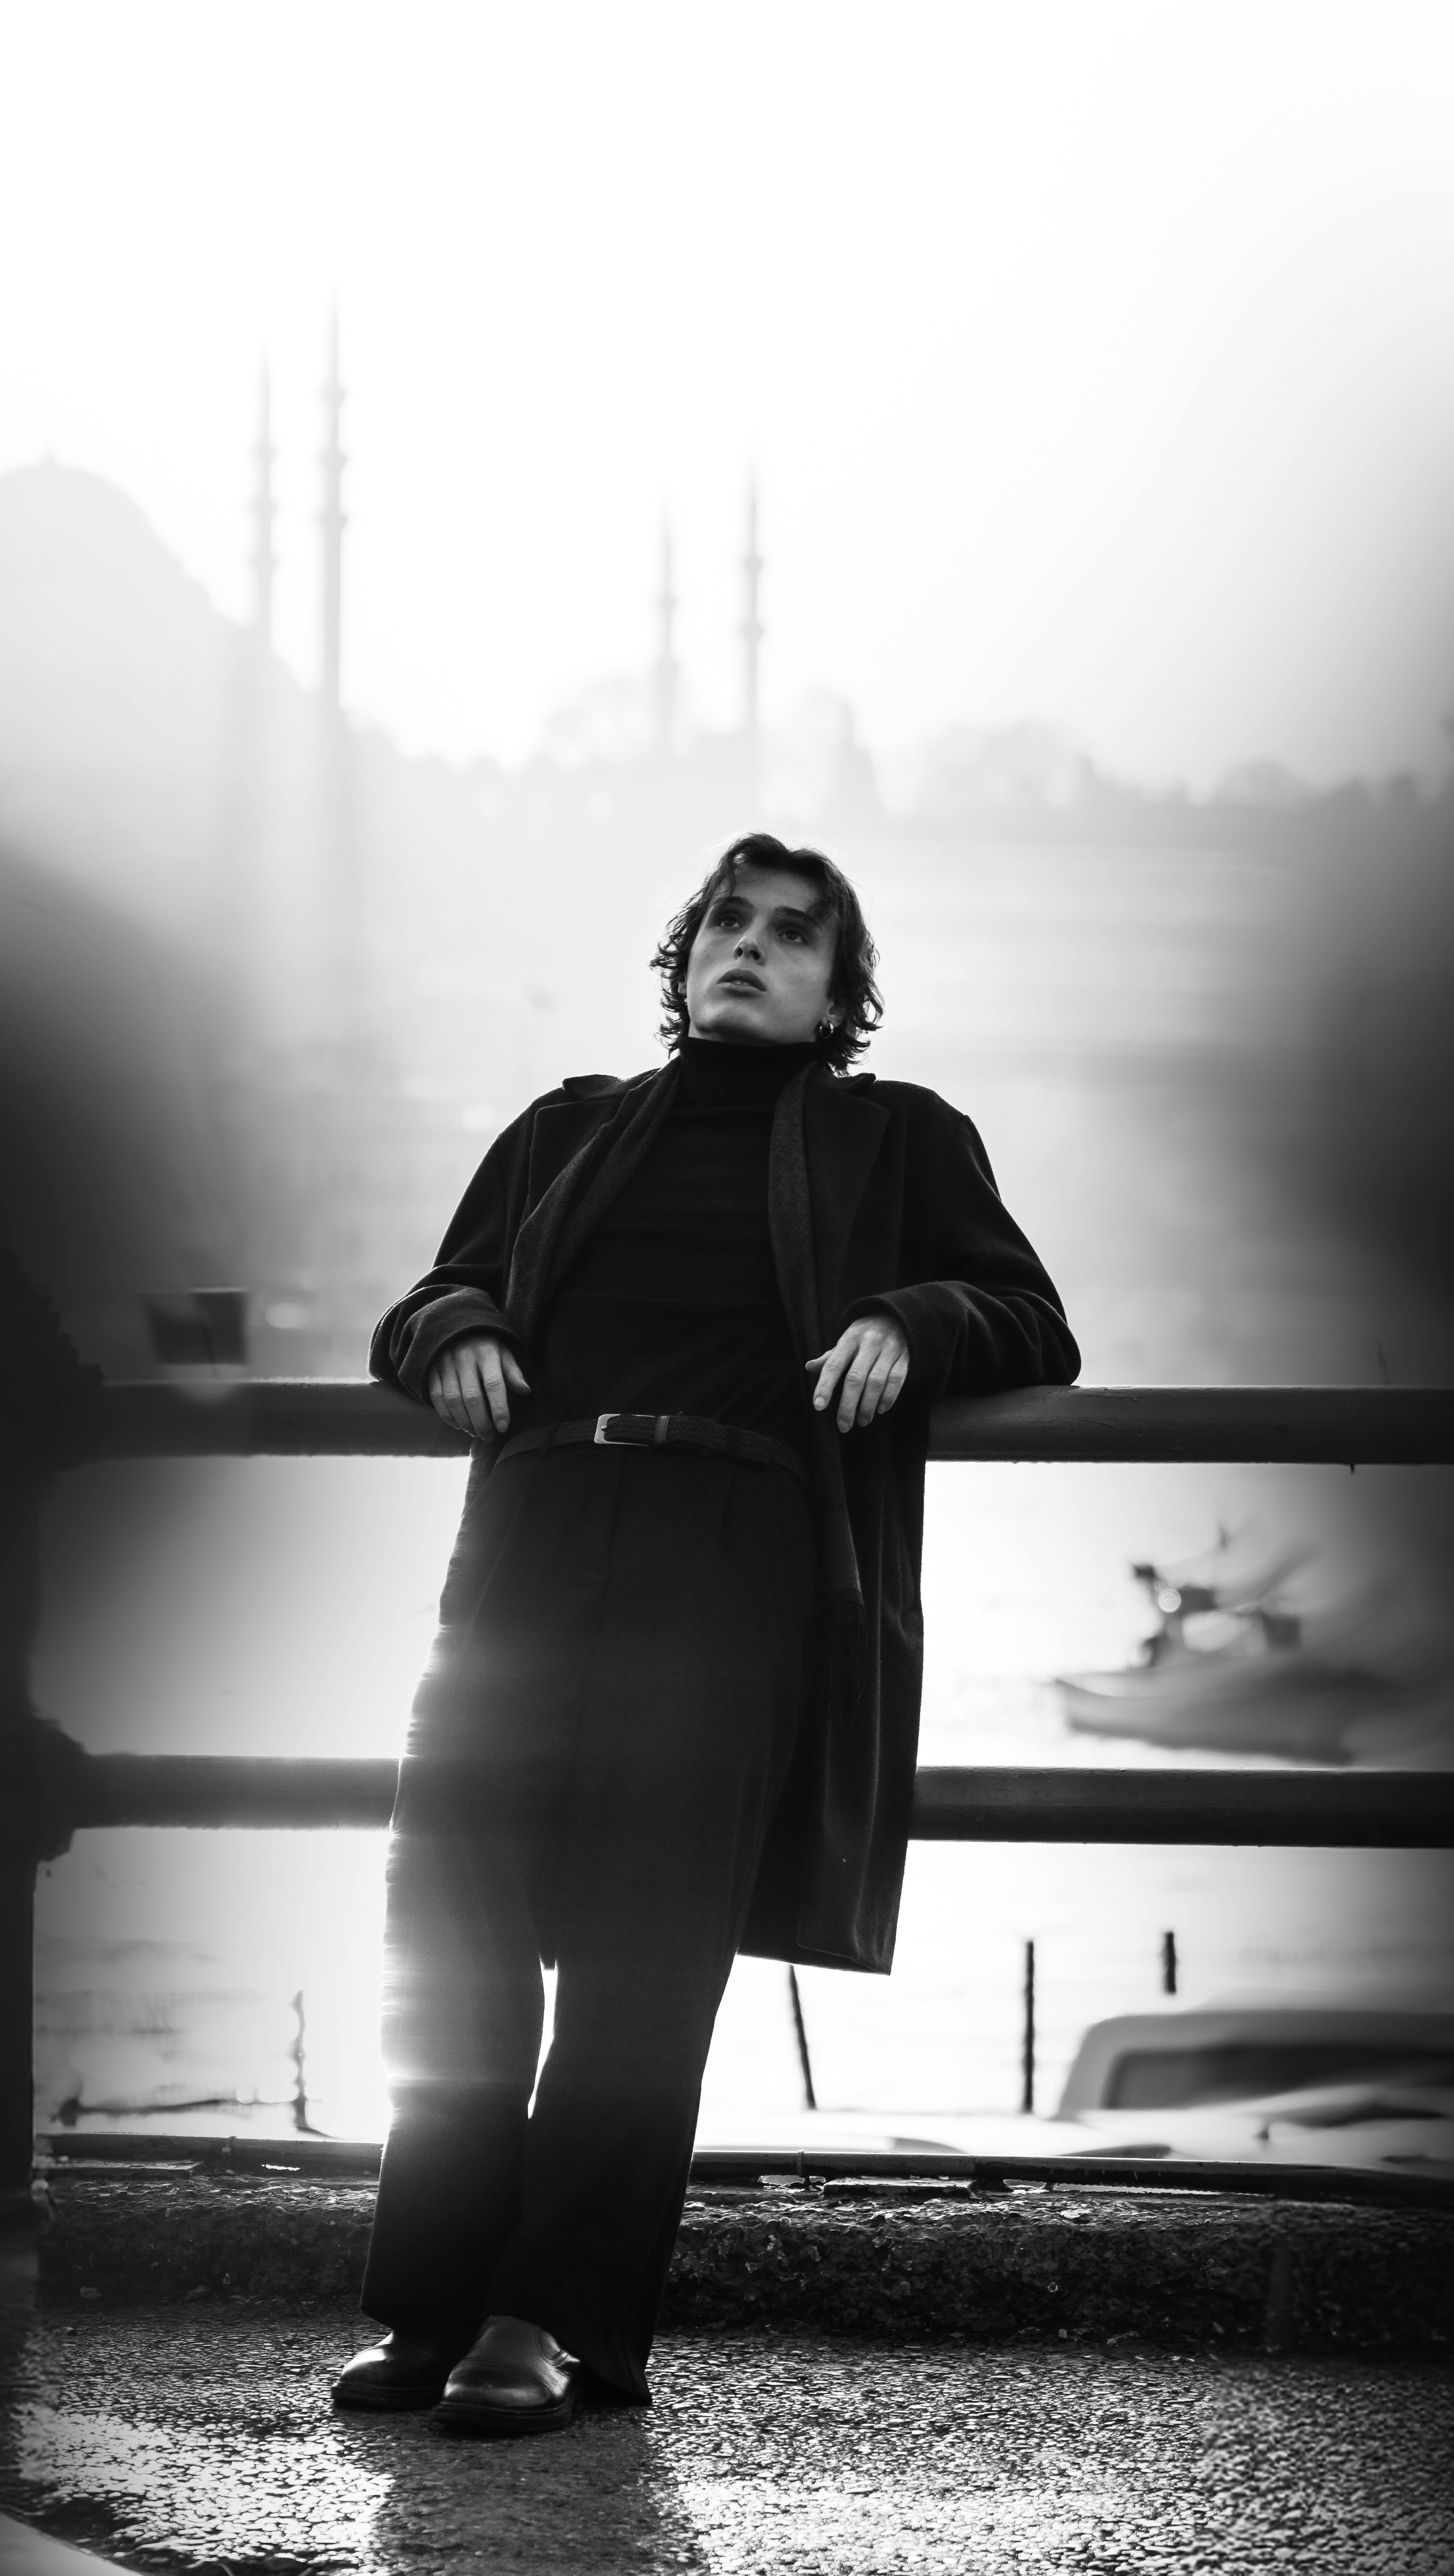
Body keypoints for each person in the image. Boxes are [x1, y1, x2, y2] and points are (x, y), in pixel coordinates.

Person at [332, 832, 1077, 2430]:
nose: (749, 949)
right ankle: (428, 2311)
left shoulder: (899, 1140)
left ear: (836, 997)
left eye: (793, 938)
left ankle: (553, 2321)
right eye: (725, 925)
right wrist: (456, 1326)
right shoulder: (567, 1129)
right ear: (681, 962)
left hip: (731, 1550)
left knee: (640, 1957)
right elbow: (424, 1300)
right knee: (446, 1917)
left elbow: (1033, 1317)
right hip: (529, 1538)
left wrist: (908, 1316)